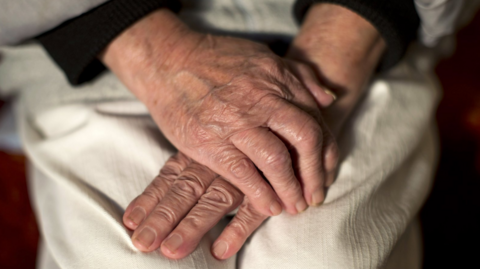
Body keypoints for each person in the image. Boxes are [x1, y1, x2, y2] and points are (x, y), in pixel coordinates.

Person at [0, 0, 473, 268]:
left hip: (361, 38)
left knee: (323, 259)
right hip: (93, 45)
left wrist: (316, 77)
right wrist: (160, 56)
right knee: (137, 260)